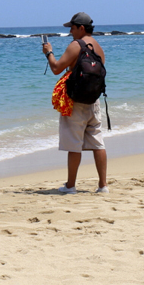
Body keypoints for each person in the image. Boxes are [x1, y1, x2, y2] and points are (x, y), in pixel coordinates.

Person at [42, 12, 108, 194]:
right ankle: (103, 185)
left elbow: (56, 68)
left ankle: (70, 186)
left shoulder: (76, 45)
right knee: (98, 143)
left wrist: (48, 53)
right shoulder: (98, 47)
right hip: (93, 100)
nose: (70, 31)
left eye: (72, 28)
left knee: (74, 145)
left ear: (81, 28)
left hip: (75, 102)